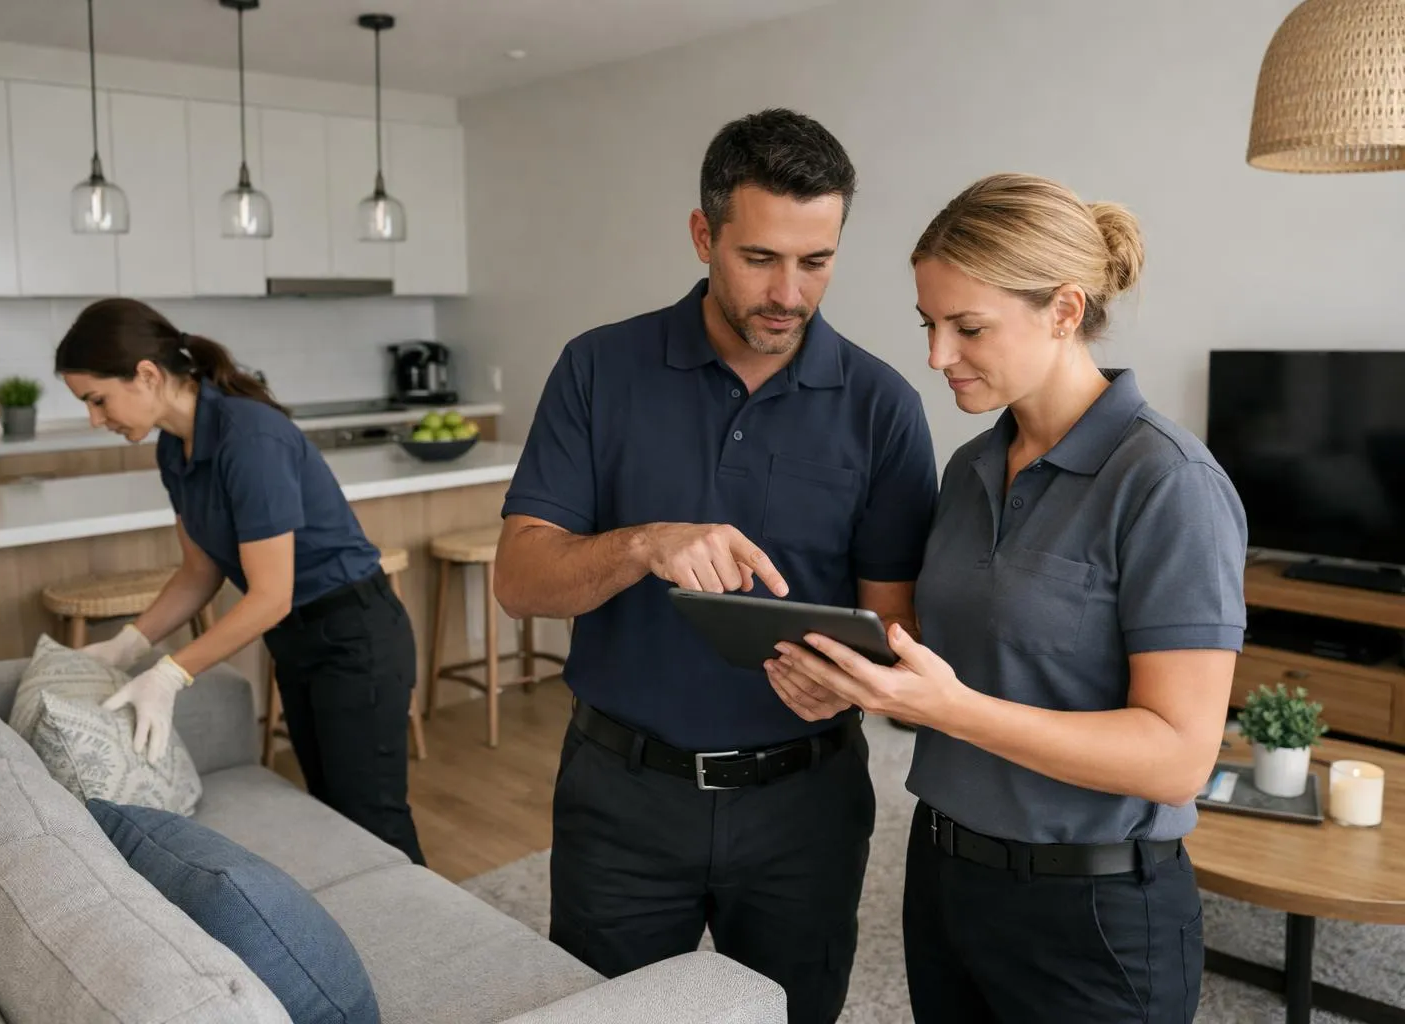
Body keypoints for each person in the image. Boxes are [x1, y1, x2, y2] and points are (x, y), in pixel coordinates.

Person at [765, 172, 1248, 1022]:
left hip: (1092, 914)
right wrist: (855, 677)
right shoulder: (970, 468)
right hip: (944, 876)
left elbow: (1179, 757)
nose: (936, 356)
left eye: (968, 327)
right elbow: (959, 656)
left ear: (1064, 310)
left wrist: (951, 710)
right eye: (929, 324)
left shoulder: (1168, 484)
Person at [492, 108, 938, 1024]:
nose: (789, 292)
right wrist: (643, 543)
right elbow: (519, 582)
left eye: (816, 261)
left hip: (806, 808)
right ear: (704, 235)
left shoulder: (883, 405)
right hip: (621, 798)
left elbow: (895, 625)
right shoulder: (597, 369)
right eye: (760, 258)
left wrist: (852, 678)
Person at [53, 297, 425, 867]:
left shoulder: (249, 438)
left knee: (373, 820)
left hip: (355, 634)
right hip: (297, 640)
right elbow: (199, 571)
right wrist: (128, 642)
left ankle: (419, 920)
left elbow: (271, 595)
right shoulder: (174, 448)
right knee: (333, 814)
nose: (95, 421)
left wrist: (171, 674)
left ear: (146, 375)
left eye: (97, 400)